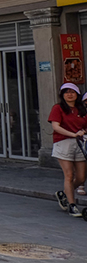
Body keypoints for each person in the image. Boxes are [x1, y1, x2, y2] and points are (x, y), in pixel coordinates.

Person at [49, 82, 86, 216]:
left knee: (81, 177)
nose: (69, 94)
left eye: (72, 92)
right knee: (69, 175)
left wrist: (82, 132)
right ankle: (72, 204)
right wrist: (73, 134)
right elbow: (56, 126)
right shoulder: (58, 108)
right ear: (62, 95)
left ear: (77, 94)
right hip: (63, 142)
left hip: (80, 143)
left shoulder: (81, 109)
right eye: (66, 92)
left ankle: (63, 193)